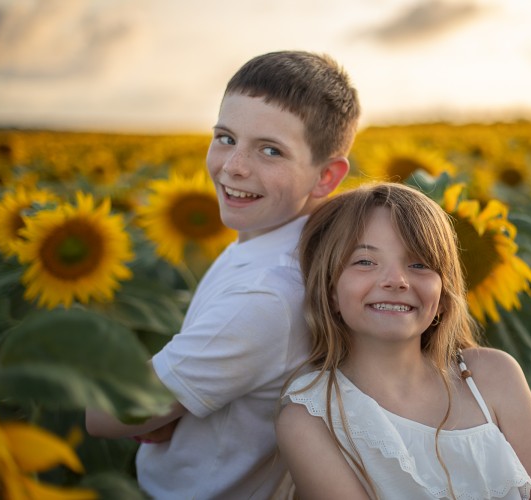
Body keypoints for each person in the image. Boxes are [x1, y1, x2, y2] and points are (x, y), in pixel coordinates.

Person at [85, 50, 361, 499]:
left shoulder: (266, 294)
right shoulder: (271, 240)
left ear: (326, 177)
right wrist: (171, 402)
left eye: (270, 150)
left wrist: (150, 404)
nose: (234, 166)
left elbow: (104, 415)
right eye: (226, 137)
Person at [276, 183, 531, 500]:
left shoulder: (492, 377)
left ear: (443, 296)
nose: (396, 281)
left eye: (419, 264)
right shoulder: (312, 420)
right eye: (364, 262)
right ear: (331, 291)